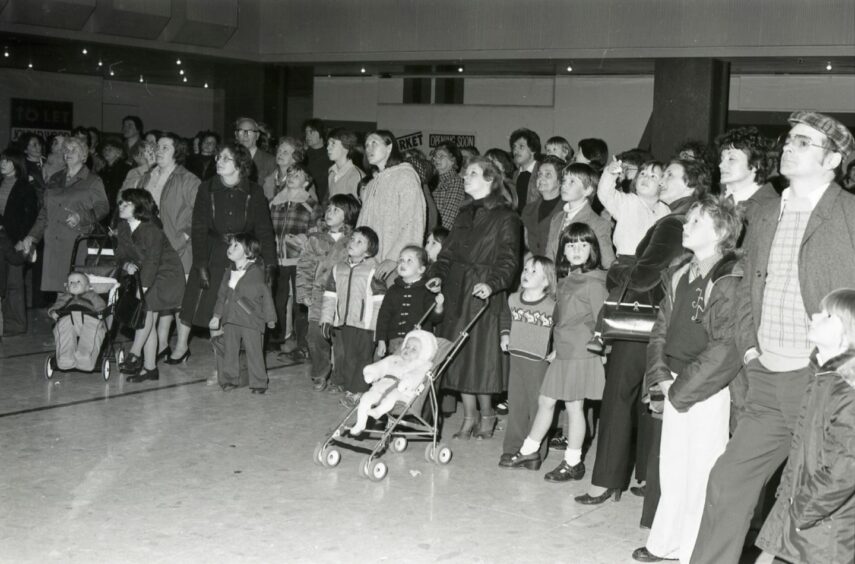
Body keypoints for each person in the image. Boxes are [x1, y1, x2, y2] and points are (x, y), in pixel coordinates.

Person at [691, 111, 855, 564]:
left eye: (803, 142)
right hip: (765, 375)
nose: (788, 146)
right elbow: (746, 284)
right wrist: (749, 347)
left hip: (819, 380)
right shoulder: (763, 210)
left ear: (833, 159)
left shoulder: (849, 214)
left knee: (809, 501)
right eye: (788, 140)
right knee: (728, 482)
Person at [577, 158, 709, 508]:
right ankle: (645, 476)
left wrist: (614, 275)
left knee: (619, 395)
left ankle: (605, 481)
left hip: (640, 319)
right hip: (671, 322)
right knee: (651, 401)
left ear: (690, 185)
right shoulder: (695, 217)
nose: (662, 179)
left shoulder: (672, 221)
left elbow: (643, 276)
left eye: (670, 175)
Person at [632, 196, 742, 563]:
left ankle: (693, 550)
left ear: (720, 232)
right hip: (675, 383)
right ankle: (665, 543)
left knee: (701, 472)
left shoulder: (730, 277)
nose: (685, 225)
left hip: (708, 390)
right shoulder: (681, 271)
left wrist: (680, 390)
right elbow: (661, 328)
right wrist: (662, 375)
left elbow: (727, 348)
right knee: (673, 467)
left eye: (695, 221)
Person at [755, 288, 855, 564]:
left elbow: (845, 469)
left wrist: (798, 511)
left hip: (825, 529)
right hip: (806, 519)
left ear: (848, 331)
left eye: (826, 314)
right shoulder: (823, 377)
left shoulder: (847, 389)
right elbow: (802, 454)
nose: (814, 315)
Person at [501, 224, 607, 481]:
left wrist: (602, 349)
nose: (577, 250)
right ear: (563, 251)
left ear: (593, 249)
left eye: (583, 244)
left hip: (580, 353)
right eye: (571, 245)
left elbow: (603, 319)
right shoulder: (568, 279)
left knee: (574, 408)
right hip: (563, 351)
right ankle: (529, 451)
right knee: (546, 402)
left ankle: (573, 462)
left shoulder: (594, 282)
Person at [427, 156, 522, 440]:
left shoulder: (506, 216)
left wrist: (492, 284)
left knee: (480, 360)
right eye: (466, 173)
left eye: (472, 174)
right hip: (457, 289)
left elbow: (508, 260)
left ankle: (488, 415)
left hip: (482, 291)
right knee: (458, 357)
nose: (465, 178)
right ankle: (468, 418)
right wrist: (437, 274)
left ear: (490, 180)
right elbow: (447, 253)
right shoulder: (463, 212)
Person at [168, 142, 276, 368]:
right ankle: (181, 346)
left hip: (243, 255)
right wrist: (200, 263)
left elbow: (265, 231)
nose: (219, 161)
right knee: (198, 302)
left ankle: (224, 359)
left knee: (233, 307)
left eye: (225, 158)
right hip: (213, 250)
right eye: (218, 157)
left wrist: (270, 266)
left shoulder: (254, 192)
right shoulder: (206, 188)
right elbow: (198, 228)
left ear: (240, 164)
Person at [19, 137, 109, 295]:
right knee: (60, 292)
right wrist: (32, 236)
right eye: (66, 150)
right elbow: (44, 213)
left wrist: (81, 216)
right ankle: (63, 319)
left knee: (77, 291)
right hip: (53, 242)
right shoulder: (55, 178)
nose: (68, 153)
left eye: (74, 150)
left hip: (76, 243)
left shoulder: (93, 180)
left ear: (84, 156)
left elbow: (103, 208)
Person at [138, 133, 200, 361]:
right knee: (155, 297)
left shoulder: (188, 179)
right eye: (158, 147)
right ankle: (162, 343)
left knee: (179, 300)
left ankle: (182, 345)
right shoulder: (146, 177)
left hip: (179, 248)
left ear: (177, 152)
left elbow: (200, 213)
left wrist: (184, 235)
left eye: (165, 147)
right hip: (150, 248)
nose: (159, 150)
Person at [115, 189, 185, 383]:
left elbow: (154, 261)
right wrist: (125, 264)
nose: (121, 206)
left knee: (146, 314)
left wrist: (142, 289)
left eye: (127, 204)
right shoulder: (122, 226)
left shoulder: (151, 229)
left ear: (139, 208)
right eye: (121, 203)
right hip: (146, 273)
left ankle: (134, 354)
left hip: (166, 274)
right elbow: (120, 253)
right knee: (148, 320)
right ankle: (150, 369)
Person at [296, 194, 361, 392]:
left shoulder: (354, 240)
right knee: (315, 336)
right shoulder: (315, 238)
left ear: (348, 216)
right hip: (319, 297)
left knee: (340, 341)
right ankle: (319, 372)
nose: (330, 212)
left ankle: (339, 378)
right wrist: (304, 291)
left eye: (336, 210)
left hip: (343, 299)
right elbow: (305, 266)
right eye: (329, 208)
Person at [497, 255, 556, 467]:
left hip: (538, 363)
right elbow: (505, 317)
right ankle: (512, 448)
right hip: (517, 359)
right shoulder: (513, 299)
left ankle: (535, 451)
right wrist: (505, 335)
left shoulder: (551, 306)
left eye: (534, 272)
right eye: (526, 269)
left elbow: (560, 328)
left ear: (546, 281)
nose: (526, 274)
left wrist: (557, 349)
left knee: (538, 407)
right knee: (517, 406)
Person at [319, 226, 387, 407]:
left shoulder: (374, 270)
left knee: (363, 357)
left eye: (359, 241)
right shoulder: (338, 268)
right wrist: (326, 319)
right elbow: (330, 296)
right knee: (348, 357)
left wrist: (376, 327)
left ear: (369, 250)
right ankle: (351, 388)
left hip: (366, 324)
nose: (352, 243)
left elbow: (380, 301)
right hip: (344, 322)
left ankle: (358, 392)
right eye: (352, 239)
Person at [210, 233, 276, 394]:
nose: (230, 248)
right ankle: (230, 379)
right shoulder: (229, 271)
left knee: (254, 352)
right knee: (230, 351)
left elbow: (266, 296)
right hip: (231, 319)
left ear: (248, 253)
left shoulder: (257, 272)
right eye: (230, 245)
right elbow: (221, 295)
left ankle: (259, 382)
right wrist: (216, 316)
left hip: (251, 319)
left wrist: (270, 318)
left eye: (235, 245)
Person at [357, 130, 425, 278]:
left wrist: (394, 258)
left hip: (394, 265)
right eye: (367, 145)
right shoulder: (371, 184)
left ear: (389, 147)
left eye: (374, 143)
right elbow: (363, 224)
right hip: (368, 262)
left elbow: (412, 221)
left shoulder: (405, 177)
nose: (369, 148)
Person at [349, 329, 439, 436]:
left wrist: (407, 382)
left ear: (423, 354)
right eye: (407, 346)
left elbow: (416, 375)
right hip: (381, 388)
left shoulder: (420, 364)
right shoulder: (394, 359)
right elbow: (381, 366)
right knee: (365, 398)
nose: (408, 350)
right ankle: (360, 423)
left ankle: (378, 411)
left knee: (392, 396)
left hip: (403, 392)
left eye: (414, 349)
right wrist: (372, 373)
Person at [269, 162, 315, 363]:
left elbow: (315, 233)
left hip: (300, 259)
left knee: (300, 301)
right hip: (278, 259)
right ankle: (275, 337)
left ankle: (303, 344)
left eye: (298, 174)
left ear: (306, 182)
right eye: (290, 173)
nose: (292, 176)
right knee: (277, 299)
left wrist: (306, 243)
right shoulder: (275, 202)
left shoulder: (310, 203)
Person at [375, 246, 444, 358]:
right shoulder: (393, 290)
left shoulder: (426, 290)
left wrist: (439, 307)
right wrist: (381, 340)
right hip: (395, 343)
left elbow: (435, 319)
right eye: (401, 260)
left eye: (409, 260)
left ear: (421, 269)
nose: (403, 263)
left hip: (419, 342)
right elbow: (383, 316)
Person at [544, 162, 615, 269]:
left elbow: (608, 264)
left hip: (582, 282)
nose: (564, 185)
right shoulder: (557, 218)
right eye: (564, 181)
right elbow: (550, 256)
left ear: (587, 190)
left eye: (572, 181)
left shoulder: (599, 224)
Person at [716, 127, 779, 242]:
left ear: (756, 164)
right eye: (722, 159)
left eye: (731, 159)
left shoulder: (771, 208)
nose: (721, 165)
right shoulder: (719, 203)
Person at [597, 158, 669, 257]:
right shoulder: (627, 202)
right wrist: (610, 173)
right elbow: (605, 194)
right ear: (635, 180)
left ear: (662, 184)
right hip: (627, 262)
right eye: (642, 174)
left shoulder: (665, 210)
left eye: (653, 176)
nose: (646, 178)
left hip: (653, 263)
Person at [0, 148, 38, 335]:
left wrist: (23, 240)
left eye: (7, 160)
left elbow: (30, 216)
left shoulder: (25, 187)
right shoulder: (0, 183)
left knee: (14, 282)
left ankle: (15, 324)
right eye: (1, 160)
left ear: (16, 163)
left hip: (14, 238)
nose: (2, 163)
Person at [48, 272, 107, 371]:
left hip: (89, 318)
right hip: (69, 318)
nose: (74, 284)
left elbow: (101, 305)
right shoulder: (65, 297)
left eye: (78, 282)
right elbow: (57, 305)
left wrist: (101, 312)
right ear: (67, 288)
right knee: (62, 327)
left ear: (87, 287)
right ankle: (65, 356)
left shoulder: (92, 296)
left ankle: (85, 356)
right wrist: (53, 312)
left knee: (92, 331)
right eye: (71, 282)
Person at [520, 155, 566, 257]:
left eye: (548, 175)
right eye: (539, 174)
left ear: (559, 181)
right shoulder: (528, 209)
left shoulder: (567, 210)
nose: (541, 178)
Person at [431, 141, 466, 230]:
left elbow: (448, 216)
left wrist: (433, 237)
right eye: (435, 156)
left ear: (453, 161)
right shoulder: (432, 180)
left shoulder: (455, 181)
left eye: (441, 156)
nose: (435, 159)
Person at [263, 136, 307, 202]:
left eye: (285, 152)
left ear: (295, 158)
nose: (280, 154)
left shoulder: (303, 180)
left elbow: (313, 208)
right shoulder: (269, 179)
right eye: (279, 150)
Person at [98, 138, 131, 220]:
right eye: (105, 149)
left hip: (118, 210)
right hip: (104, 210)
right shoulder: (102, 171)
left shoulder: (126, 169)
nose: (106, 151)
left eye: (110, 149)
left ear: (119, 152)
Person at [235, 117, 275, 184]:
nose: (245, 135)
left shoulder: (270, 161)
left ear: (257, 135)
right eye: (241, 131)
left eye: (250, 131)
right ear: (236, 135)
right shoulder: (230, 159)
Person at [326, 128, 364, 200]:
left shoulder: (356, 176)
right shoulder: (331, 173)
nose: (328, 148)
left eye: (333, 143)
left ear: (346, 146)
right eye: (328, 144)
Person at [510, 128, 541, 209]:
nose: (515, 150)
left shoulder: (542, 173)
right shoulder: (514, 175)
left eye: (521, 146)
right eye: (514, 147)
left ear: (533, 150)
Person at [304, 118, 333, 203]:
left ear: (321, 133)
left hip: (321, 202)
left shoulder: (330, 156)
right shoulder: (303, 155)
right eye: (306, 132)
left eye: (311, 132)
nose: (307, 136)